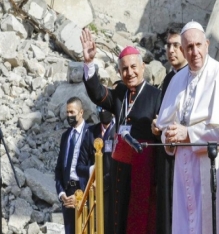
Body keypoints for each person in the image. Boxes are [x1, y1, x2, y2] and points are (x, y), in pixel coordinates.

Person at [156, 21, 219, 234]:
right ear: (182, 50)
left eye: (198, 45)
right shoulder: (176, 80)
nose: (195, 51)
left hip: (215, 168)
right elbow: (164, 129)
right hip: (185, 170)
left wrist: (188, 134)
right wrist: (169, 138)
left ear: (207, 44)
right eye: (189, 47)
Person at [80, 28, 161, 234]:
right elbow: (98, 94)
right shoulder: (120, 93)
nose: (130, 73)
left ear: (143, 67)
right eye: (124, 69)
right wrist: (89, 63)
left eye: (134, 67)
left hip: (142, 172)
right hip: (119, 170)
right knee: (117, 220)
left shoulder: (156, 96)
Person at [152, 25, 188, 234]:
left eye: (177, 45)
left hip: (183, 153)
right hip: (166, 153)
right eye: (169, 45)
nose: (171, 50)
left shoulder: (190, 76)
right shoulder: (168, 78)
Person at [76, 107, 114, 233]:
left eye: (106, 108)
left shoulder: (119, 130)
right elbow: (79, 167)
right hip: (95, 192)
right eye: (100, 108)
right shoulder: (91, 132)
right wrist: (94, 171)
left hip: (115, 189)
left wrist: (104, 181)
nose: (103, 111)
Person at [55, 97, 89, 234]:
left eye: (72, 112)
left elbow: (95, 169)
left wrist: (83, 195)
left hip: (84, 192)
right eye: (67, 112)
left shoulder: (91, 133)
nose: (69, 115)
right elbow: (59, 168)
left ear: (81, 112)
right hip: (68, 195)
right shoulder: (65, 136)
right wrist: (61, 192)